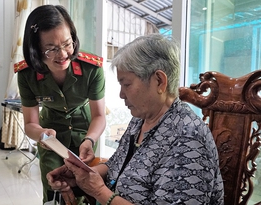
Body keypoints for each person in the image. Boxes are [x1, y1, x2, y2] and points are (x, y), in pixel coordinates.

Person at [46, 34, 224, 204]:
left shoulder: (188, 138)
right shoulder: (142, 118)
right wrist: (82, 176)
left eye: (127, 84)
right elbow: (117, 164)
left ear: (159, 81)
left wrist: (100, 192)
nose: (121, 94)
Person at [17, 4, 106, 204]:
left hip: (85, 130)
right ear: (35, 50)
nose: (63, 54)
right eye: (51, 49)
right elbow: (30, 124)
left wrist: (89, 140)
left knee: (87, 185)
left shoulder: (91, 69)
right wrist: (42, 135)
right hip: (50, 135)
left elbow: (99, 116)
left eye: (67, 43)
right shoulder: (26, 75)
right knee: (54, 185)